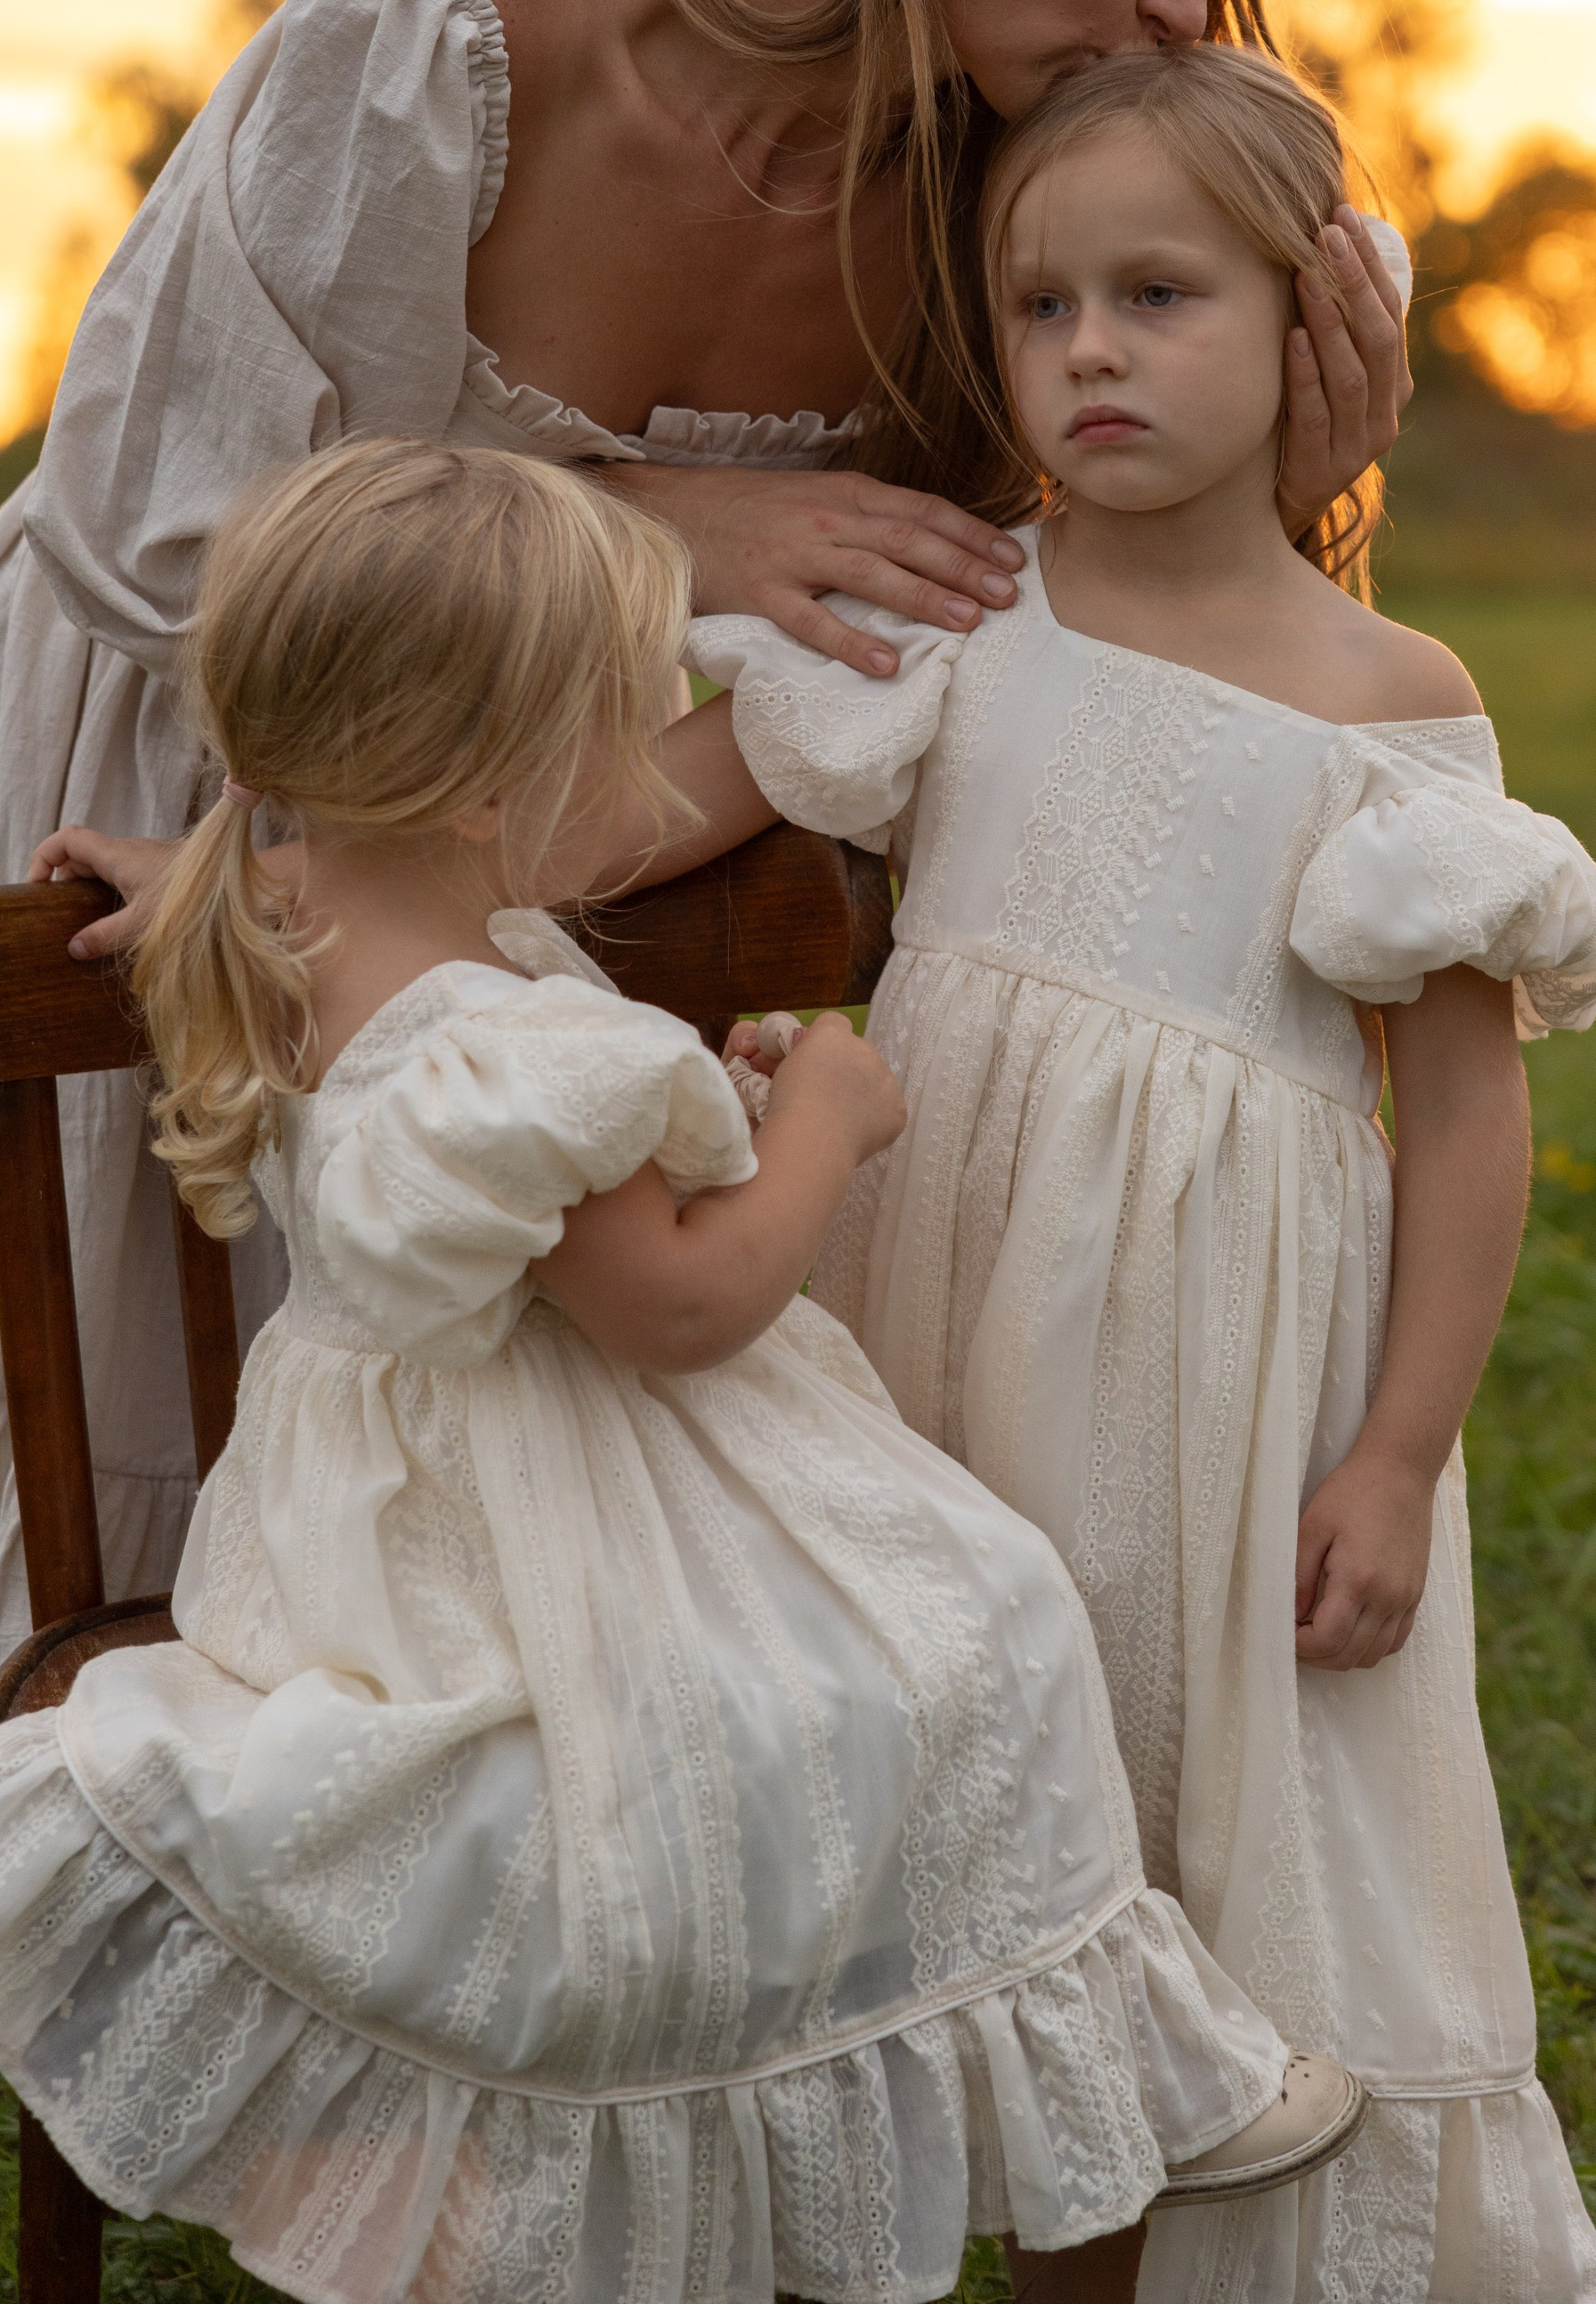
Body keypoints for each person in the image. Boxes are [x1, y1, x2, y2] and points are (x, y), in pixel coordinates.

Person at [2, 0, 1408, 1638]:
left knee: (425, 1565)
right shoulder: (474, 30)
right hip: (182, 767)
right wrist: (647, 515)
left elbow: (1006, 675)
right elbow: (148, 518)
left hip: (554, 904)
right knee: (101, 1505)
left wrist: (1265, 507)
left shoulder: (1006, 227)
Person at [8, 437, 1370, 2304]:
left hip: (360, 1510)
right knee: (970, 1618)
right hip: (540, 1526)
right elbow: (676, 1304)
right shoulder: (497, 1041)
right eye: (625, 720)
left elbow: (543, 1197)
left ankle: (1077, 2055)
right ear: (495, 786)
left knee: (913, 1641)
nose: (647, 755)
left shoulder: (273, 916)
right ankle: (1100, 2056)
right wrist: (823, 1107)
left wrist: (680, 1115)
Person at [607, 46, 1596, 2301]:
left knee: (1175, 1851)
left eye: (1155, 293)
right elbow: (614, 819)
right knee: (932, 1811)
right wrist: (237, 872)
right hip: (929, 1318)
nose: (1085, 349)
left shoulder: (1381, 698)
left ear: (1312, 324)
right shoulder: (961, 616)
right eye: (1041, 303)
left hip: (1217, 1388)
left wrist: (1395, 1449)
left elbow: (1463, 1114)